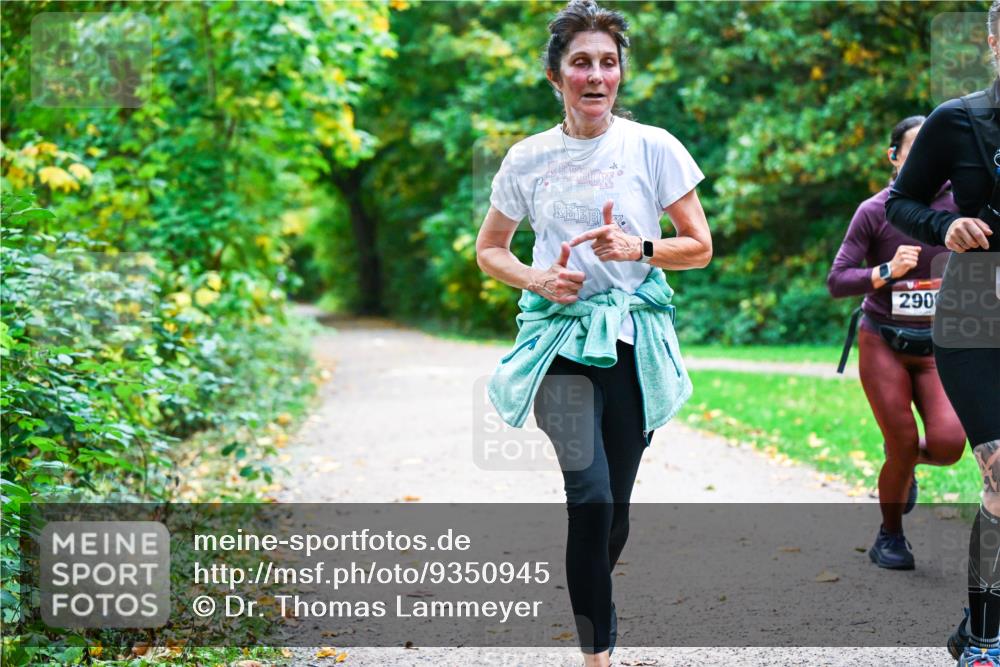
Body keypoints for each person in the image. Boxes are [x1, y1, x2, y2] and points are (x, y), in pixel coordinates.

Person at [475, 2, 711, 665]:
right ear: (555, 75)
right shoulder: (527, 159)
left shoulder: (653, 147)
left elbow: (699, 246)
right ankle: (597, 652)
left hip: (633, 345)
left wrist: (637, 246)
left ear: (621, 74)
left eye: (608, 63)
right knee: (591, 495)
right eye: (581, 62)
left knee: (615, 512)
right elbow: (490, 249)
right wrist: (537, 279)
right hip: (557, 342)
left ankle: (592, 601)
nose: (596, 75)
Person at [886, 2, 1000, 665]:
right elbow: (903, 199)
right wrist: (945, 227)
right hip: (974, 312)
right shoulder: (958, 120)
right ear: (992, 41)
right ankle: (985, 643)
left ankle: (975, 616)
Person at [828, 116, 966, 570]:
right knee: (902, 439)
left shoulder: (961, 206)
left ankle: (902, 469)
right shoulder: (875, 210)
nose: (929, 160)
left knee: (948, 446)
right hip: (883, 340)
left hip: (937, 345)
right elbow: (837, 279)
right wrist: (885, 271)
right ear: (894, 157)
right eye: (915, 149)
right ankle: (890, 536)